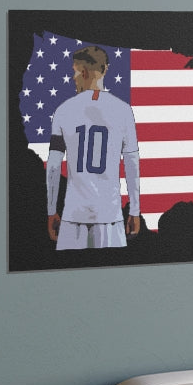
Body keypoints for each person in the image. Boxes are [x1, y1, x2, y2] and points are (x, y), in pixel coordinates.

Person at [46, 45, 141, 249]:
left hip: (73, 215)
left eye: (74, 72)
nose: (73, 78)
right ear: (105, 69)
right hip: (110, 216)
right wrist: (134, 210)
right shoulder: (123, 111)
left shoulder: (63, 111)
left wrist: (51, 209)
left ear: (84, 71)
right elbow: (132, 164)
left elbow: (53, 165)